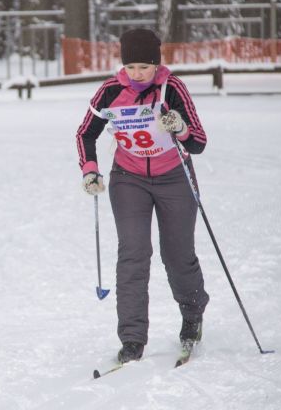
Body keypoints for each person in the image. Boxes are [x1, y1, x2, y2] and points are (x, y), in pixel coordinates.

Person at [75, 28, 209, 364]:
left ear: (156, 64)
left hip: (174, 177)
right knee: (133, 253)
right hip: (128, 178)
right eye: (131, 67)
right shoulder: (109, 91)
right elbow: (84, 134)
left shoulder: (171, 89)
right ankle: (132, 339)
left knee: (177, 254)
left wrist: (178, 127)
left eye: (145, 68)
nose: (138, 75)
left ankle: (192, 316)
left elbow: (198, 143)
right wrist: (90, 169)